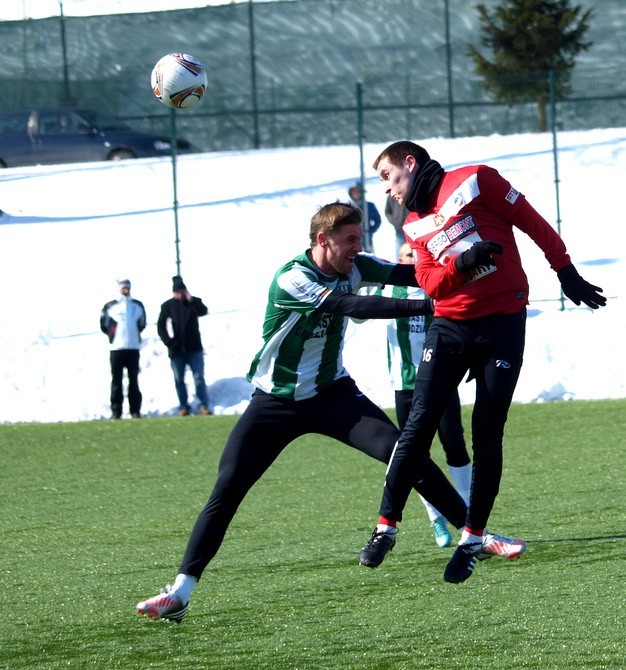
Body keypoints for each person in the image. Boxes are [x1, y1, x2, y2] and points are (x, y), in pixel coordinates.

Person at [136, 202, 523, 623]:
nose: (358, 248)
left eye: (360, 239)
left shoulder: (356, 263)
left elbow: (410, 274)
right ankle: (180, 592)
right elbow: (350, 307)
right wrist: (428, 308)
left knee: (406, 453)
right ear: (323, 240)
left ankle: (473, 535)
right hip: (274, 402)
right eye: (350, 240)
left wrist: (463, 268)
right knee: (227, 488)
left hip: (332, 394)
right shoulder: (293, 277)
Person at [359, 140, 607, 584]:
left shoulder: (476, 179)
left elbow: (531, 222)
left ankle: (471, 539)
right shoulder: (414, 225)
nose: (387, 190)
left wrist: (564, 268)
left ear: (410, 164)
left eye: (388, 177)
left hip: (502, 325)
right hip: (451, 327)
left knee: (487, 432)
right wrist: (464, 263)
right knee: (417, 425)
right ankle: (385, 527)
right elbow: (432, 284)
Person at [384, 241, 472, 548]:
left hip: (441, 381)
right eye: (409, 255)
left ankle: (470, 517)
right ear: (399, 259)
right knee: (416, 456)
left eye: (417, 255)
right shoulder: (388, 291)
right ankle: (436, 519)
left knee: (455, 444)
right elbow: (356, 312)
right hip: (405, 385)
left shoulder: (436, 286)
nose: (414, 259)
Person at [157, 275, 211, 416]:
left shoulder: (193, 303)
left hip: (194, 348)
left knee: (199, 377)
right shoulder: (167, 306)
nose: (179, 294)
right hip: (176, 350)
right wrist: (169, 342)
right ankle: (183, 406)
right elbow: (161, 326)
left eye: (181, 291)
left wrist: (191, 300)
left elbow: (203, 311)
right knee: (179, 379)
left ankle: (203, 405)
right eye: (177, 291)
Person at [99, 278, 146, 419]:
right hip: (116, 348)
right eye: (123, 287)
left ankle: (135, 410)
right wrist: (113, 336)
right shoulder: (111, 306)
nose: (126, 290)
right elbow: (104, 325)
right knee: (116, 380)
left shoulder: (137, 305)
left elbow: (142, 323)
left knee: (134, 380)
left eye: (128, 287)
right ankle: (116, 411)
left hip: (133, 348)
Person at [348, 182, 381, 253]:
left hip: (367, 239)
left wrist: (371, 230)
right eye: (354, 192)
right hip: (353, 241)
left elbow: (377, 220)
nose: (356, 193)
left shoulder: (369, 205)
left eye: (358, 191)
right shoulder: (348, 208)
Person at [384, 194, 409, 258]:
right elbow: (387, 211)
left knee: (411, 256)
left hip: (412, 232)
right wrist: (394, 221)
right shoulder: (391, 196)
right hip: (399, 232)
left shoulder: (409, 193)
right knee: (399, 257)